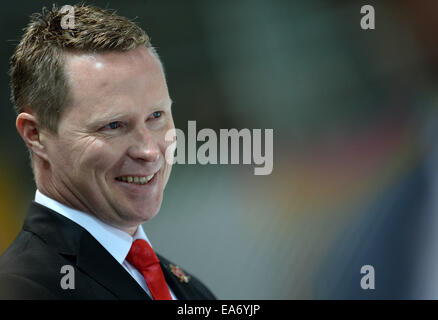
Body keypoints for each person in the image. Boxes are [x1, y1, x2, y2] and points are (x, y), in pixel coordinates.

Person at [0, 4, 215, 300]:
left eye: (156, 116)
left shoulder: (189, 290)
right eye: (113, 125)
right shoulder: (22, 290)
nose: (150, 151)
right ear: (35, 135)